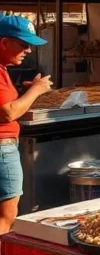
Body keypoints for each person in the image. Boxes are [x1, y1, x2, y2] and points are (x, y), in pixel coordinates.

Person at [0, 17, 51, 234]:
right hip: (2, 148)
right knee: (6, 216)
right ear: (4, 43)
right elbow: (8, 112)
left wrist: (25, 93)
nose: (28, 50)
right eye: (23, 44)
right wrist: (36, 90)